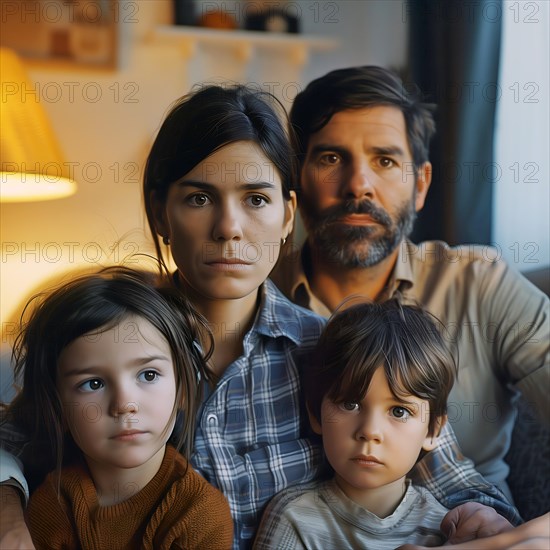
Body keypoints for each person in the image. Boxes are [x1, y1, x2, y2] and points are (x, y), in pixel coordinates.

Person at [0, 84, 520, 550]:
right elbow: (10, 439)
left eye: (255, 199)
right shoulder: (116, 348)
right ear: (161, 213)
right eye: (199, 198)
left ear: (288, 216)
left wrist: (482, 518)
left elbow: (455, 482)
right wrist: (8, 516)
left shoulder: (332, 351)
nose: (229, 228)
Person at [272, 65, 549, 501]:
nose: (358, 185)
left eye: (385, 160)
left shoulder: (481, 286)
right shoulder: (248, 299)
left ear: (420, 185)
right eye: (330, 158)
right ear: (297, 182)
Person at [1, 267, 233, 549]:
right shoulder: (51, 507)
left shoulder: (200, 515)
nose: (125, 405)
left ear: (183, 390)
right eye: (93, 383)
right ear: (57, 406)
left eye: (148, 375)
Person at [255, 299, 461, 548]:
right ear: (315, 415)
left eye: (398, 411)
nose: (369, 432)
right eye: (350, 405)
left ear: (433, 430)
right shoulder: (295, 518)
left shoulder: (448, 529)